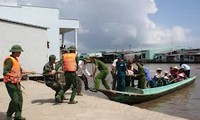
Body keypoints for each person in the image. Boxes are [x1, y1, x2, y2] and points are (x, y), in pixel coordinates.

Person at [3, 45, 35, 120]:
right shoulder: (9, 60)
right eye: (19, 51)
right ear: (15, 52)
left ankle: (18, 116)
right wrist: (13, 76)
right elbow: (5, 72)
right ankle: (9, 114)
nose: (20, 53)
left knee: (20, 100)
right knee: (15, 99)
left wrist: (30, 72)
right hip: (10, 83)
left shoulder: (16, 60)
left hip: (16, 83)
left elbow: (20, 71)